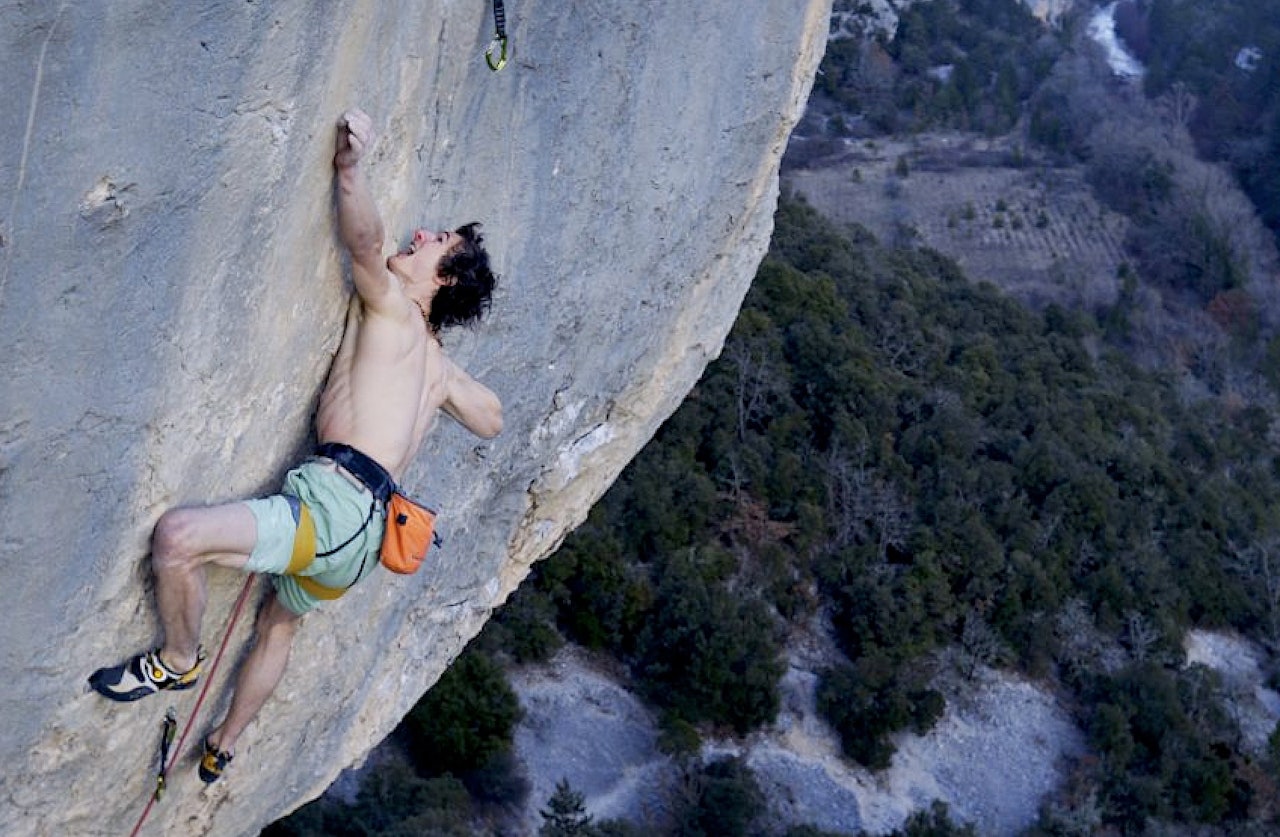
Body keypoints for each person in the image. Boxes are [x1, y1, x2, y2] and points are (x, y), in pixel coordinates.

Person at [89, 108, 503, 784]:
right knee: (279, 623)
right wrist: (448, 377)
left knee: (178, 538)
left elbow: (365, 246)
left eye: (437, 241)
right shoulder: (439, 370)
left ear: (444, 278)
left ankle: (179, 657)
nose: (421, 232)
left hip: (332, 510)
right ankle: (223, 744)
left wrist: (350, 168)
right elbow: (492, 418)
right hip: (363, 541)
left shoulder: (398, 308)